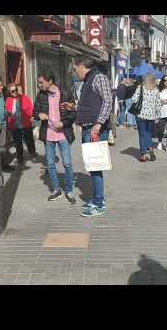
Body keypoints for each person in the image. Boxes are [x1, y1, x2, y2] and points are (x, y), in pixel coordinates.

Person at [72, 57, 113, 217]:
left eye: (75, 69)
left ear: (82, 66)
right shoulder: (89, 80)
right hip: (88, 128)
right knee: (92, 166)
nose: (75, 72)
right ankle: (96, 198)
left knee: (96, 166)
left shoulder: (98, 77)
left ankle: (99, 202)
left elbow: (108, 101)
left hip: (95, 129)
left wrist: (98, 124)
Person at [34, 71, 77, 204]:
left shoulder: (64, 92)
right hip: (48, 134)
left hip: (63, 133)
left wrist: (63, 123)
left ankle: (69, 190)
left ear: (50, 81)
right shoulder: (41, 95)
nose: (39, 85)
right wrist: (39, 115)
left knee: (67, 163)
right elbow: (35, 111)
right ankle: (56, 190)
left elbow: (73, 113)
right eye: (39, 82)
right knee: (51, 164)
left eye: (41, 82)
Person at [131, 73, 162, 162]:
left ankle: (143, 154)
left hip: (140, 115)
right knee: (148, 133)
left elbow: (134, 99)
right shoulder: (156, 90)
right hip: (151, 116)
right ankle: (150, 149)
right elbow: (158, 104)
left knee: (142, 134)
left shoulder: (140, 88)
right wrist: (158, 116)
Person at [5, 83, 37, 164]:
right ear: (9, 92)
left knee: (29, 139)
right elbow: (7, 112)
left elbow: (30, 108)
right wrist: (9, 116)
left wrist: (29, 116)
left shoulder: (24, 98)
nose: (15, 92)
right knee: (17, 142)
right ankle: (20, 157)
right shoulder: (8, 100)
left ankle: (32, 152)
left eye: (16, 90)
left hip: (25, 123)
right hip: (15, 124)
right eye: (12, 91)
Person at [0, 77, 15, 171]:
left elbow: (3, 109)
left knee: (3, 146)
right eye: (0, 85)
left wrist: (8, 113)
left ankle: (4, 164)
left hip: (3, 125)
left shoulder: (1, 96)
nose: (2, 87)